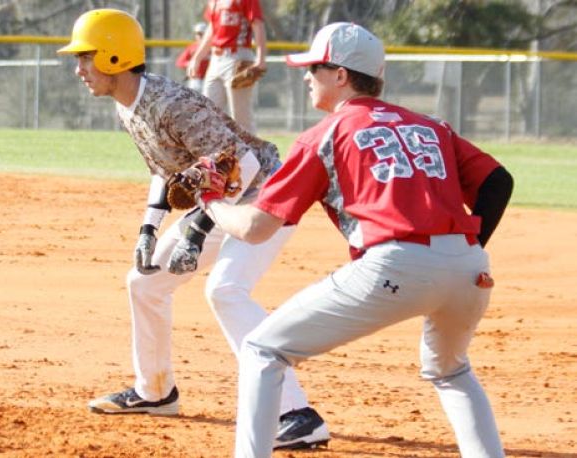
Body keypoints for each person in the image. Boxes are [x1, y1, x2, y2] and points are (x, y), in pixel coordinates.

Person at [191, 22, 513, 458]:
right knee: (451, 372)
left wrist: (210, 200)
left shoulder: (324, 134)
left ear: (340, 75)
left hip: (392, 265)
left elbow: (254, 228)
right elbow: (498, 182)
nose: (307, 77)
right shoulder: (432, 126)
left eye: (314, 68)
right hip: (469, 270)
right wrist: (466, 251)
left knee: (262, 350)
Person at [56, 8, 330, 450]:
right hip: (223, 199)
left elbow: (242, 164)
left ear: (112, 56)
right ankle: (155, 391)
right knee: (144, 282)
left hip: (264, 195)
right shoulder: (129, 106)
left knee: (225, 290)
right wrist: (149, 228)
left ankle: (297, 414)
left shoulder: (170, 104)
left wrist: (196, 232)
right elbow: (167, 170)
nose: (79, 68)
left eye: (85, 57)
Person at [187, 0, 266, 133]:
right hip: (216, 59)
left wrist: (261, 58)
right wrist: (197, 58)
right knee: (207, 113)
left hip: (237, 57)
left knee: (241, 118)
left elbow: (257, 24)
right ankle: (215, 146)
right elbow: (212, 28)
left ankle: (250, 147)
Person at [175, 22, 210, 93]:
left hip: (210, 79)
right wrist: (190, 63)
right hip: (196, 80)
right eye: (198, 34)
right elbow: (179, 62)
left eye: (202, 33)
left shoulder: (213, 47)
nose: (200, 36)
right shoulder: (192, 47)